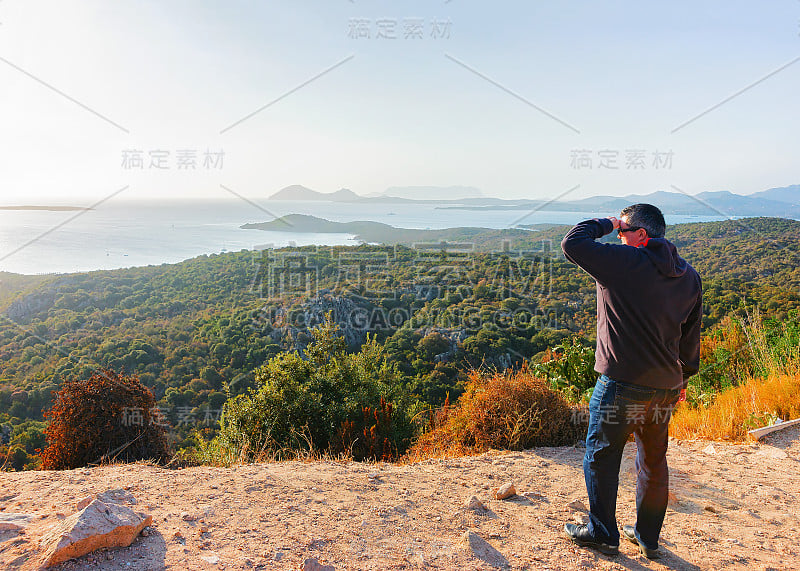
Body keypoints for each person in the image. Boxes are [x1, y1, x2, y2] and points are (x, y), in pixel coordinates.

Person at [560, 203, 702, 559]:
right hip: (665, 387)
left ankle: (603, 533)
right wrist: (682, 379)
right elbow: (689, 337)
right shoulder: (688, 276)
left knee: (601, 456)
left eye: (624, 231)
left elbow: (572, 242)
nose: (619, 236)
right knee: (653, 460)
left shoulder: (624, 263)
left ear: (640, 235)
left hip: (622, 384)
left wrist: (605, 222)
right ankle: (647, 537)